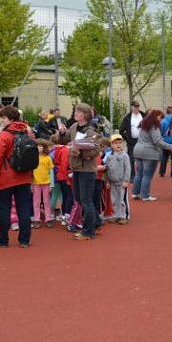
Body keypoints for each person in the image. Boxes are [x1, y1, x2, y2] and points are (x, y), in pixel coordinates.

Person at [0, 105, 35, 248]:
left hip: (6, 177)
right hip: (24, 175)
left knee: (4, 209)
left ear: (10, 118)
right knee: (24, 208)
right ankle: (25, 239)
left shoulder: (2, 136)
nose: (1, 120)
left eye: (3, 117)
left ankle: (3, 239)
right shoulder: (27, 131)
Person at [59, 103, 102, 241]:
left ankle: (88, 231)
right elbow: (64, 140)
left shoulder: (91, 131)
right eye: (75, 111)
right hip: (76, 168)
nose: (75, 113)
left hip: (87, 170)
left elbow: (96, 150)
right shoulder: (73, 127)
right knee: (79, 198)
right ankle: (97, 222)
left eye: (78, 112)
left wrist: (81, 153)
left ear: (85, 114)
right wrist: (62, 133)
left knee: (86, 200)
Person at [132, 109, 172, 201]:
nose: (161, 120)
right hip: (149, 152)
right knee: (147, 175)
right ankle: (145, 195)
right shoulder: (154, 127)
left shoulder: (144, 125)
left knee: (139, 174)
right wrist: (170, 147)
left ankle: (135, 193)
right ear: (156, 117)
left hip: (138, 150)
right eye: (160, 117)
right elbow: (157, 141)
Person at [106, 134, 132, 223]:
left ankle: (124, 216)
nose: (118, 145)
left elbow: (128, 168)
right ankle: (116, 215)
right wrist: (108, 181)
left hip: (121, 182)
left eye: (120, 143)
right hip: (113, 182)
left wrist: (126, 180)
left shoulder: (125, 156)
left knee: (122, 200)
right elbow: (108, 169)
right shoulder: (109, 156)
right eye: (115, 143)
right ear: (111, 145)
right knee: (114, 199)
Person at [119, 101, 145, 181]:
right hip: (132, 142)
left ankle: (142, 174)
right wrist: (127, 138)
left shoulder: (143, 115)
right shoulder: (127, 117)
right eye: (135, 106)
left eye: (138, 106)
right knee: (131, 159)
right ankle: (132, 175)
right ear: (131, 107)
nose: (137, 108)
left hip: (142, 141)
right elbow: (121, 130)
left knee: (142, 158)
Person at [31, 140, 54, 228]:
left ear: (44, 147)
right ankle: (37, 219)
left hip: (46, 183)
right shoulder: (33, 158)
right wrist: (31, 184)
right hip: (36, 183)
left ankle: (48, 218)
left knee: (47, 201)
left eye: (41, 146)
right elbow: (31, 172)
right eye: (37, 146)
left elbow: (51, 171)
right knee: (36, 202)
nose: (39, 148)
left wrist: (52, 184)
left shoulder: (48, 158)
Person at [158, 106, 172, 177]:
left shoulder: (163, 121)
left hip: (165, 140)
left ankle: (162, 172)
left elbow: (160, 131)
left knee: (164, 157)